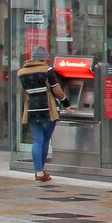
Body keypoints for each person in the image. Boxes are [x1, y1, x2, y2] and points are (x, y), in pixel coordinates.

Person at [18, 46, 67, 184]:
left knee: (37, 140)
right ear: (44, 58)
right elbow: (57, 90)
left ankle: (38, 172)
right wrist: (66, 103)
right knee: (45, 140)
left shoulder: (21, 72)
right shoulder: (47, 70)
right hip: (47, 108)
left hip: (31, 108)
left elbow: (25, 91)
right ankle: (42, 171)